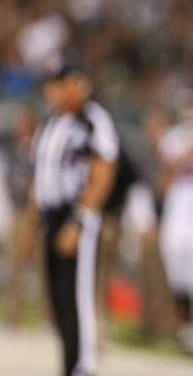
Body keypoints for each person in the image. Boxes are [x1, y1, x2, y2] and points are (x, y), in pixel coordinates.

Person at [19, 58, 120, 376]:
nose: (54, 90)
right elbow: (41, 180)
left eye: (60, 83)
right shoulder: (50, 125)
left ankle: (83, 366)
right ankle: (69, 364)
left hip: (77, 213)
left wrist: (78, 220)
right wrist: (30, 224)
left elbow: (103, 173)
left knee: (78, 296)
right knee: (58, 298)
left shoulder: (92, 120)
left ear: (77, 83)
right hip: (52, 215)